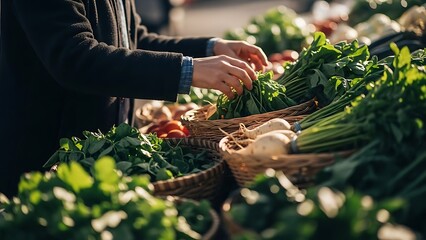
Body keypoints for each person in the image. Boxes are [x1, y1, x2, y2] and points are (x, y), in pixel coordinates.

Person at [0, 0, 268, 197]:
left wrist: (210, 47)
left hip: (95, 154)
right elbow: (75, 58)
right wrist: (188, 70)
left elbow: (134, 40)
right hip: (44, 159)